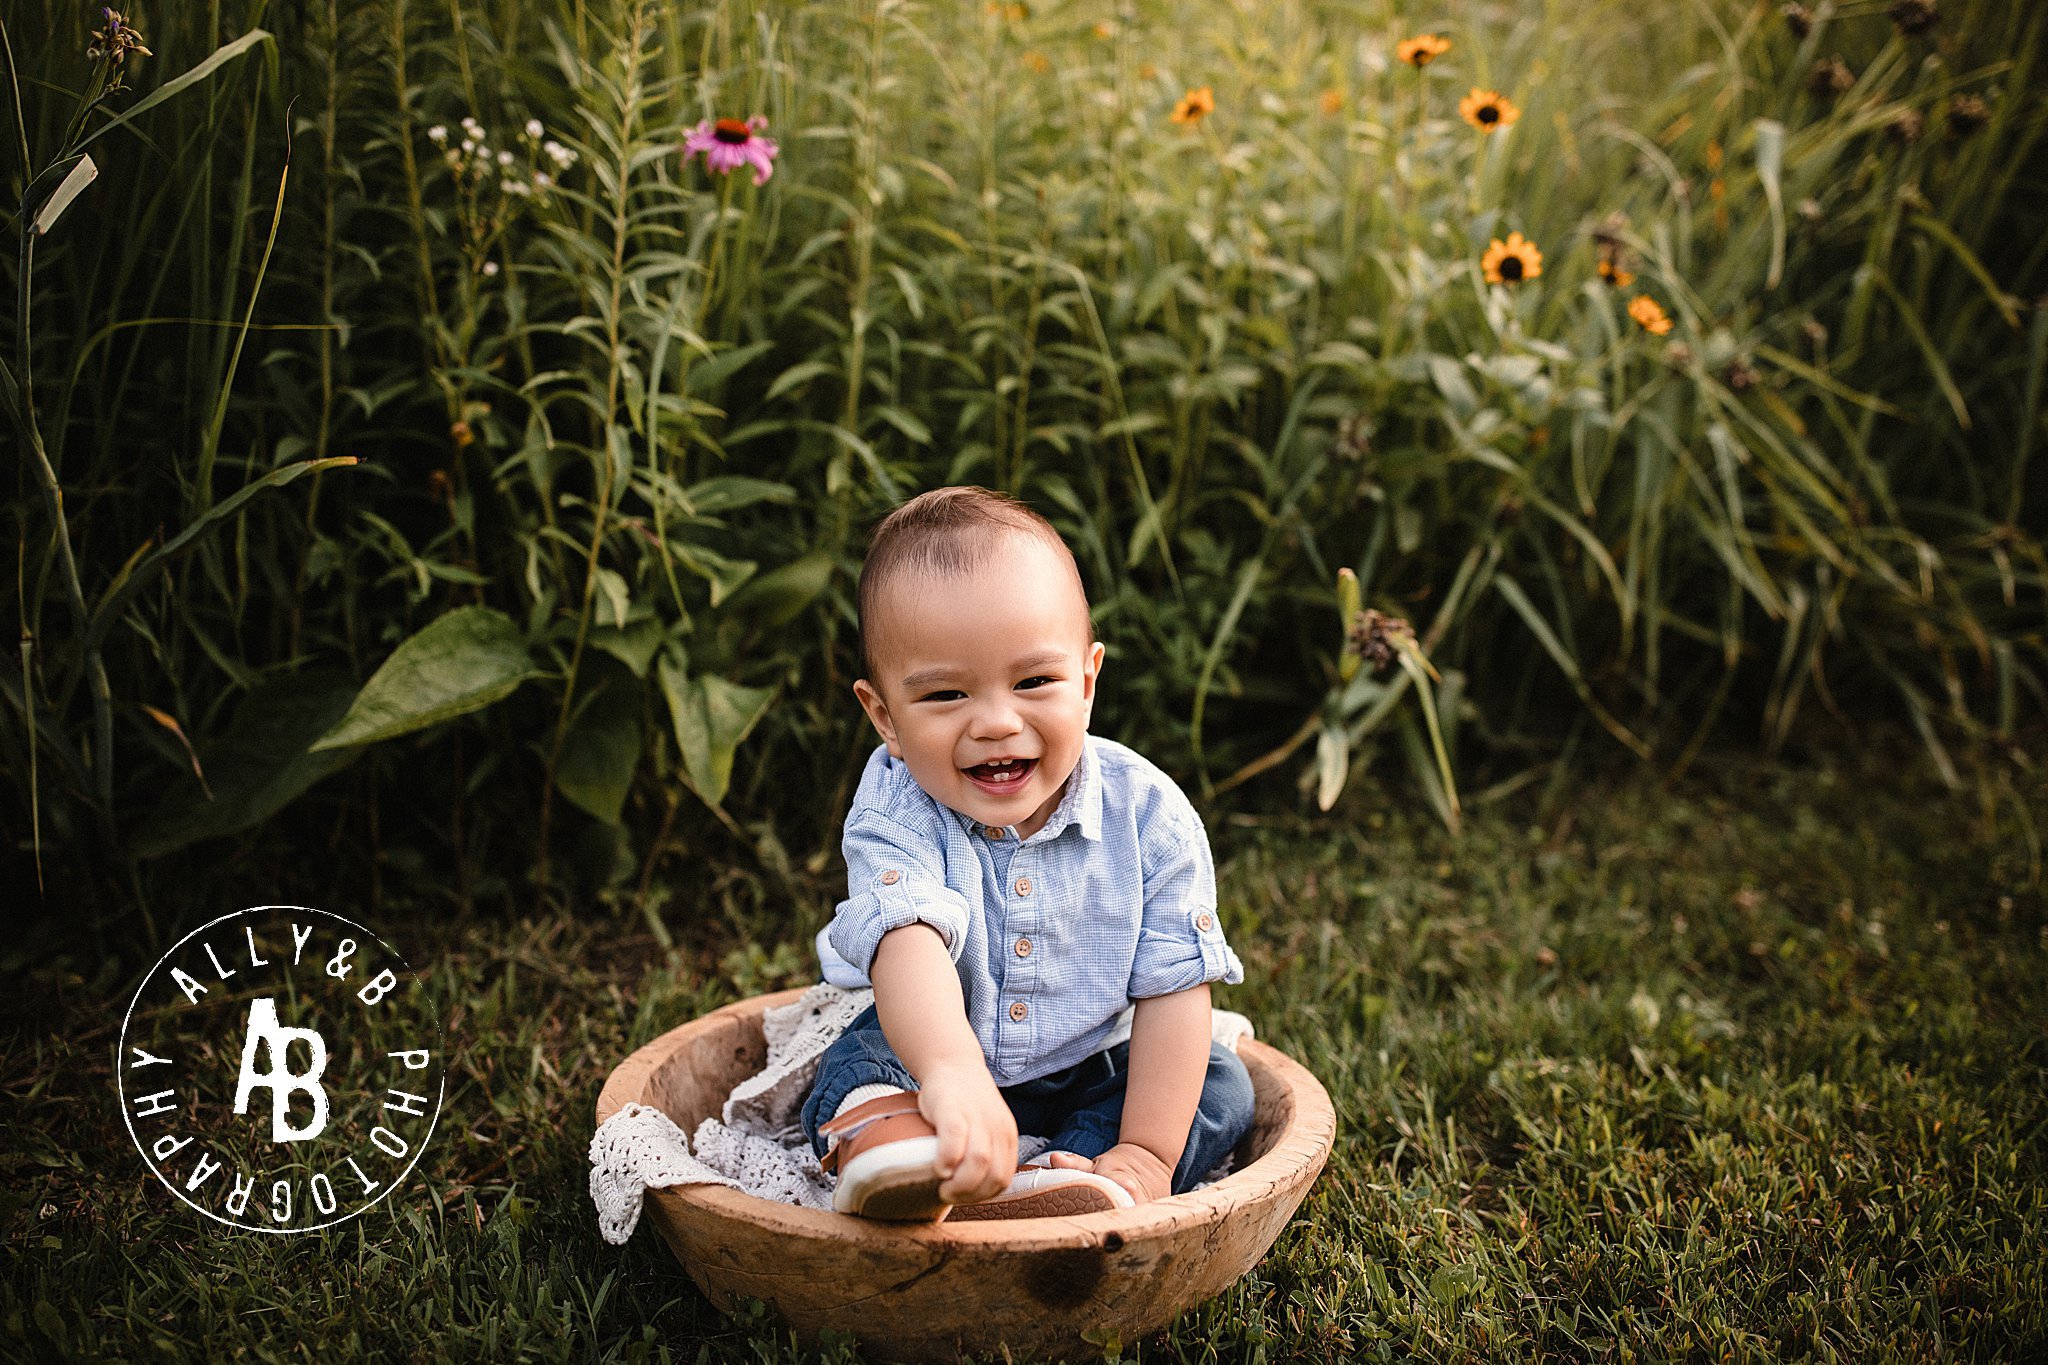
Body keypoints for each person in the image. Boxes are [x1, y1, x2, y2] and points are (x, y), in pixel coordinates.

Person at [799, 486, 1255, 1221]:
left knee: (1212, 1079)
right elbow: (906, 940)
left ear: (1086, 681)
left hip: (1089, 1058)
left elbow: (1173, 989)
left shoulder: (1147, 814)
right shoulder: (896, 803)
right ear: (884, 715)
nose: (996, 722)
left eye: (1034, 681)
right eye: (946, 694)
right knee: (858, 1067)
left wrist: (1148, 1143)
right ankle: (899, 1155)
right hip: (928, 1045)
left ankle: (1096, 1168)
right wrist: (949, 1071)